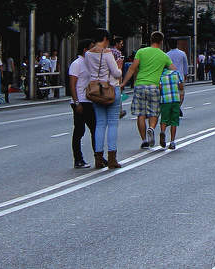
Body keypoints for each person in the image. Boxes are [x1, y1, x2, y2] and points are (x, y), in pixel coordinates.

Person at [122, 31, 172, 149]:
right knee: (154, 112)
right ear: (161, 42)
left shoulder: (141, 52)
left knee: (141, 114)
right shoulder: (164, 56)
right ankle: (152, 128)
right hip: (154, 86)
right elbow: (173, 70)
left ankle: (144, 140)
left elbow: (132, 68)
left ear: (150, 40)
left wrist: (123, 83)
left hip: (139, 85)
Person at [83, 30, 122, 169]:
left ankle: (98, 159)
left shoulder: (88, 54)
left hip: (95, 91)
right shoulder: (107, 53)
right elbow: (116, 73)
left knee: (99, 124)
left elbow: (88, 72)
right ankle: (112, 159)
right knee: (112, 124)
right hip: (109, 90)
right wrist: (120, 67)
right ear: (105, 39)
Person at [65, 39, 94, 169]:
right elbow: (72, 84)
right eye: (91, 48)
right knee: (79, 131)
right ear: (85, 50)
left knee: (95, 129)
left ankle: (98, 156)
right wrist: (76, 102)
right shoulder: (77, 64)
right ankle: (78, 159)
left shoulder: (90, 63)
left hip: (90, 100)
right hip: (80, 101)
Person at [159, 58, 184, 150]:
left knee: (164, 119)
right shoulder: (176, 73)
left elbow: (160, 87)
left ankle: (162, 131)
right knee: (174, 121)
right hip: (175, 100)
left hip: (165, 100)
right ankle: (172, 142)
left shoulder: (160, 75)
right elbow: (181, 86)